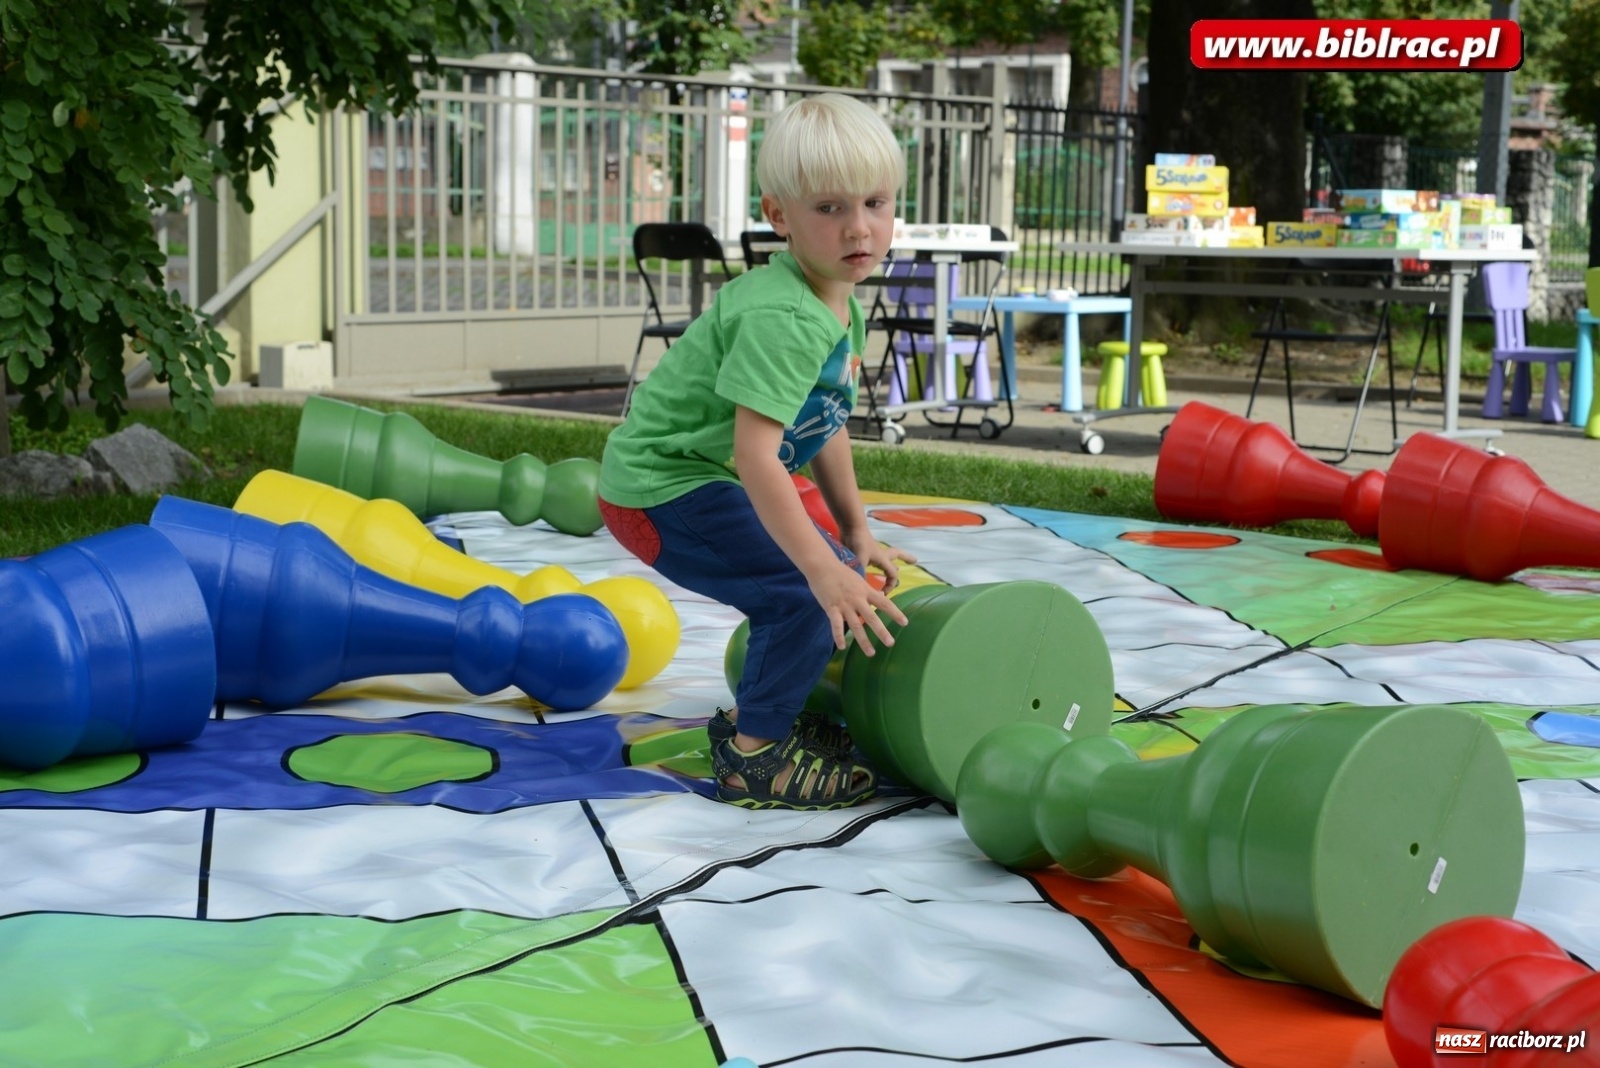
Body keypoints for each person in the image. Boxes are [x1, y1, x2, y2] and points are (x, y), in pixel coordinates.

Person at [597, 93, 917, 810]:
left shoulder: (838, 296)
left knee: (827, 573)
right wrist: (823, 570)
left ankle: (763, 718)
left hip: (694, 479)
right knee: (808, 592)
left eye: (876, 202)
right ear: (780, 217)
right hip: (663, 489)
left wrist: (855, 529)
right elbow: (757, 458)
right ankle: (754, 760)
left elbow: (825, 418)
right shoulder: (785, 316)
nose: (859, 227)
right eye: (829, 209)